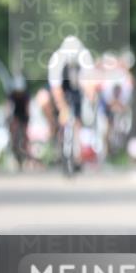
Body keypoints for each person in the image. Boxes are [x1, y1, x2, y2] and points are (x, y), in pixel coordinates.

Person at [41, 35, 92, 172]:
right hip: (60, 87)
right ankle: (53, 128)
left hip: (76, 86)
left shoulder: (85, 57)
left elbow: (89, 85)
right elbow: (56, 88)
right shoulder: (57, 59)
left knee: (77, 120)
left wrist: (90, 101)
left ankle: (77, 152)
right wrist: (62, 109)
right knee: (44, 100)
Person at [8, 75, 31, 169]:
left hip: (23, 115)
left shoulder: (26, 95)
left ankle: (25, 146)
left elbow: (27, 107)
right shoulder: (12, 95)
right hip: (15, 115)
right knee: (13, 129)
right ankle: (13, 144)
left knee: (25, 132)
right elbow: (8, 106)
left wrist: (28, 116)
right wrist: (8, 117)